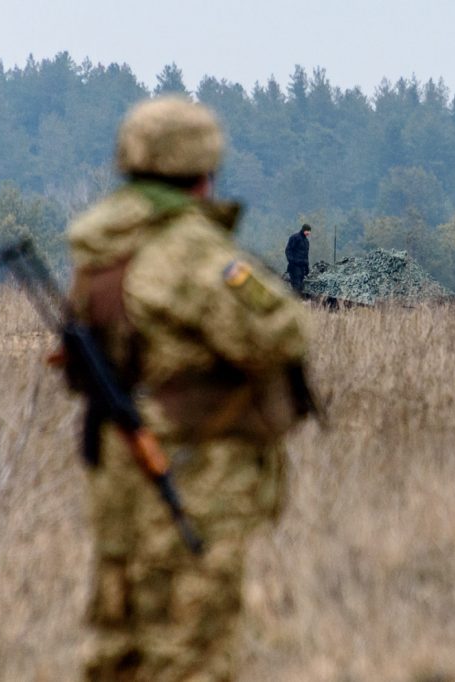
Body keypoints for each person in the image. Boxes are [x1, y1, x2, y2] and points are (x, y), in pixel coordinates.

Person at [64, 95, 311, 681]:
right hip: (192, 471)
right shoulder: (187, 248)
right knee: (191, 649)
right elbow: (278, 330)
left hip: (121, 467)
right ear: (204, 168)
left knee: (120, 645)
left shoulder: (101, 246)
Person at [285, 223, 311, 293]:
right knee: (296, 286)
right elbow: (288, 250)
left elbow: (306, 255)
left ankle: (300, 302)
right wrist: (291, 261)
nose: (308, 233)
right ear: (303, 230)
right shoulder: (295, 238)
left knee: (301, 287)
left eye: (309, 231)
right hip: (295, 267)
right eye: (307, 231)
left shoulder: (306, 241)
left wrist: (307, 267)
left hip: (302, 267)